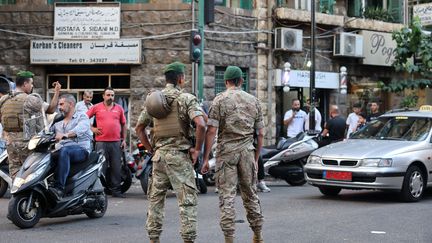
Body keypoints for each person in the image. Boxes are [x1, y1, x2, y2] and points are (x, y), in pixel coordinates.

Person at [135, 61, 205, 243]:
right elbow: (201, 124)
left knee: (156, 201)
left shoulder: (154, 100)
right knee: (187, 202)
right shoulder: (186, 99)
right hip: (179, 157)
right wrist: (197, 150)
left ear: (166, 78)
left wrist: (151, 149)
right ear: (181, 78)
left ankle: (154, 239)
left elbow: (139, 128)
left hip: (159, 158)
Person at [201, 66, 265, 243]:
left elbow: (211, 130)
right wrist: (256, 158)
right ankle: (258, 235)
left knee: (227, 197)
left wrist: (206, 158)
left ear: (225, 81)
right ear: (242, 81)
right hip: (247, 152)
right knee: (251, 195)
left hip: (226, 153)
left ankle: (229, 239)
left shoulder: (219, 100)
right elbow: (260, 134)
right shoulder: (254, 101)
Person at [0, 71, 61, 180]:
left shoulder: (4, 99)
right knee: (29, 175)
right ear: (25, 84)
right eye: (31, 83)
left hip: (10, 144)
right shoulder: (30, 99)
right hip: (27, 144)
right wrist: (57, 92)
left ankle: (17, 196)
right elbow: (51, 109)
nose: (32, 86)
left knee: (15, 175)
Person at [49, 94, 93, 199]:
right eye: (59, 105)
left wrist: (66, 135)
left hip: (81, 149)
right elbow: (47, 131)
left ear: (71, 104)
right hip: (62, 148)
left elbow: (81, 129)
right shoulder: (57, 119)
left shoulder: (82, 116)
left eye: (62, 104)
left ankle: (59, 188)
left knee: (65, 151)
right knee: (46, 155)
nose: (59, 107)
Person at [86, 87, 127, 198]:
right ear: (103, 96)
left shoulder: (119, 108)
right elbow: (83, 118)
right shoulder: (96, 107)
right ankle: (99, 191)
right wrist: (92, 129)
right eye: (108, 95)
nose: (110, 97)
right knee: (101, 167)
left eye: (112, 95)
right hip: (101, 142)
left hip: (116, 142)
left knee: (116, 167)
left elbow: (124, 124)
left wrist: (124, 140)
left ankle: (116, 191)